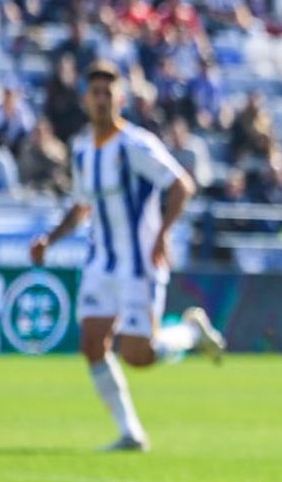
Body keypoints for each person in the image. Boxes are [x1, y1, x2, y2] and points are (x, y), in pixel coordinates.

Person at [28, 61, 226, 452]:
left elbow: (181, 186)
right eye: (95, 93)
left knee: (139, 355)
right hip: (101, 261)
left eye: (108, 93)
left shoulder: (136, 145)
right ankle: (130, 431)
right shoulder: (84, 150)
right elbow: (82, 206)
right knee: (91, 343)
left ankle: (189, 333)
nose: (101, 101)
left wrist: (162, 235)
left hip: (139, 263)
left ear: (120, 99)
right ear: (85, 100)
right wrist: (49, 240)